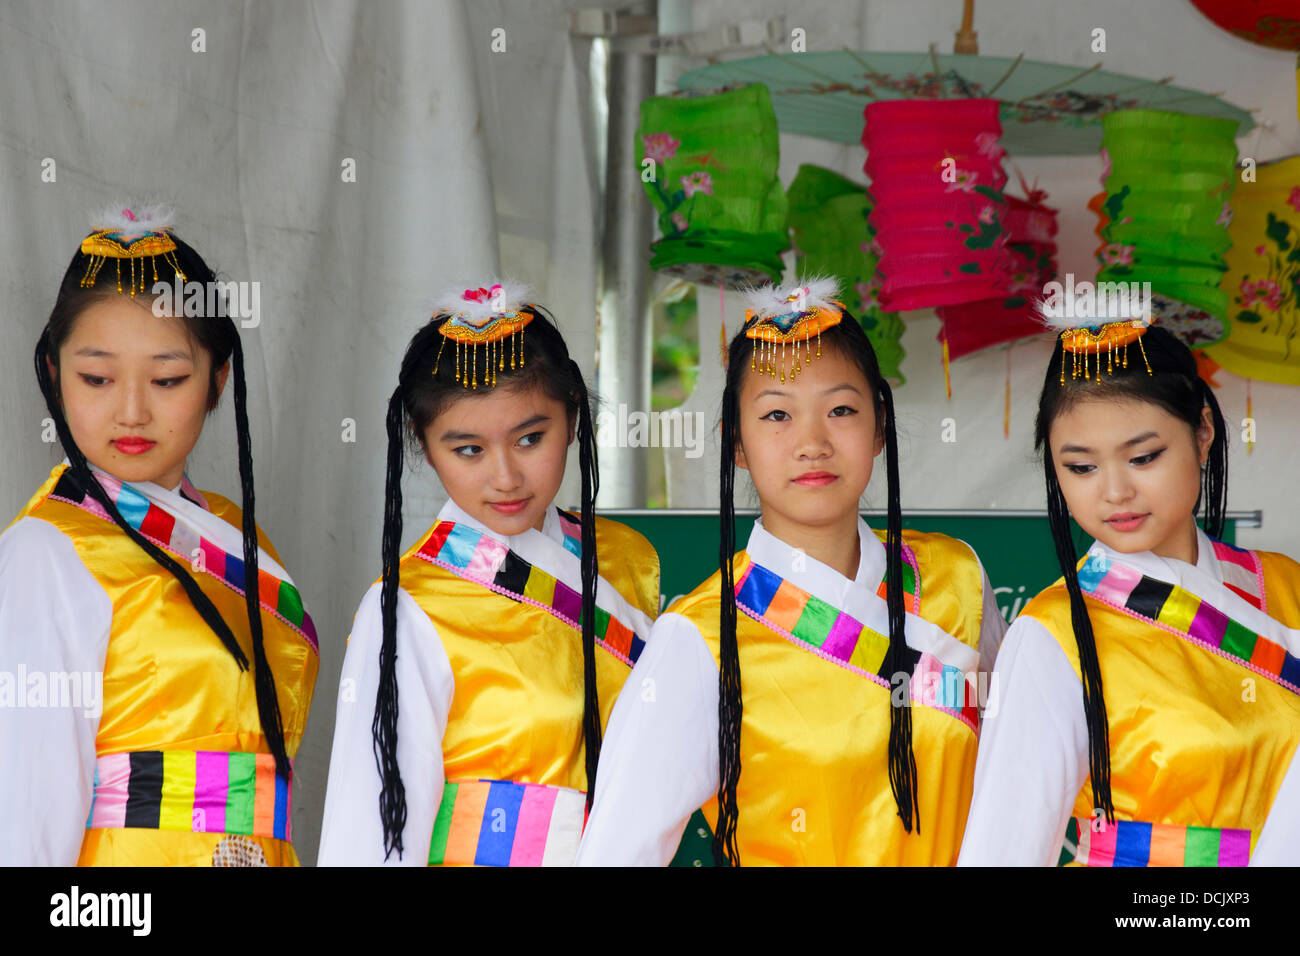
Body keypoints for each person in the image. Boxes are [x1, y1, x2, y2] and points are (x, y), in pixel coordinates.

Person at [577, 278, 1005, 866]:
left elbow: (1015, 775)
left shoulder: (957, 579)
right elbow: (616, 852)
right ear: (737, 443)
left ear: (879, 427)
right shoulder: (702, 637)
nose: (812, 442)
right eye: (777, 414)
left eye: (841, 409)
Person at [0, 206, 318, 866]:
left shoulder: (239, 538)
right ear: (55, 377)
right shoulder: (48, 552)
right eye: (97, 378)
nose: (132, 411)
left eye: (168, 379)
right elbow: (24, 816)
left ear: (216, 382)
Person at [318, 281, 660, 866]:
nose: (505, 477)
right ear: (424, 447)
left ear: (573, 419)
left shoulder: (628, 560)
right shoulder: (409, 605)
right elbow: (372, 832)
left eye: (531, 438)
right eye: (469, 450)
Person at [958, 315, 1300, 866]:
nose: (1115, 492)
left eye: (1143, 457)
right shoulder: (1054, 637)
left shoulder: (1286, 587)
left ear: (1203, 431)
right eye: (1081, 467)